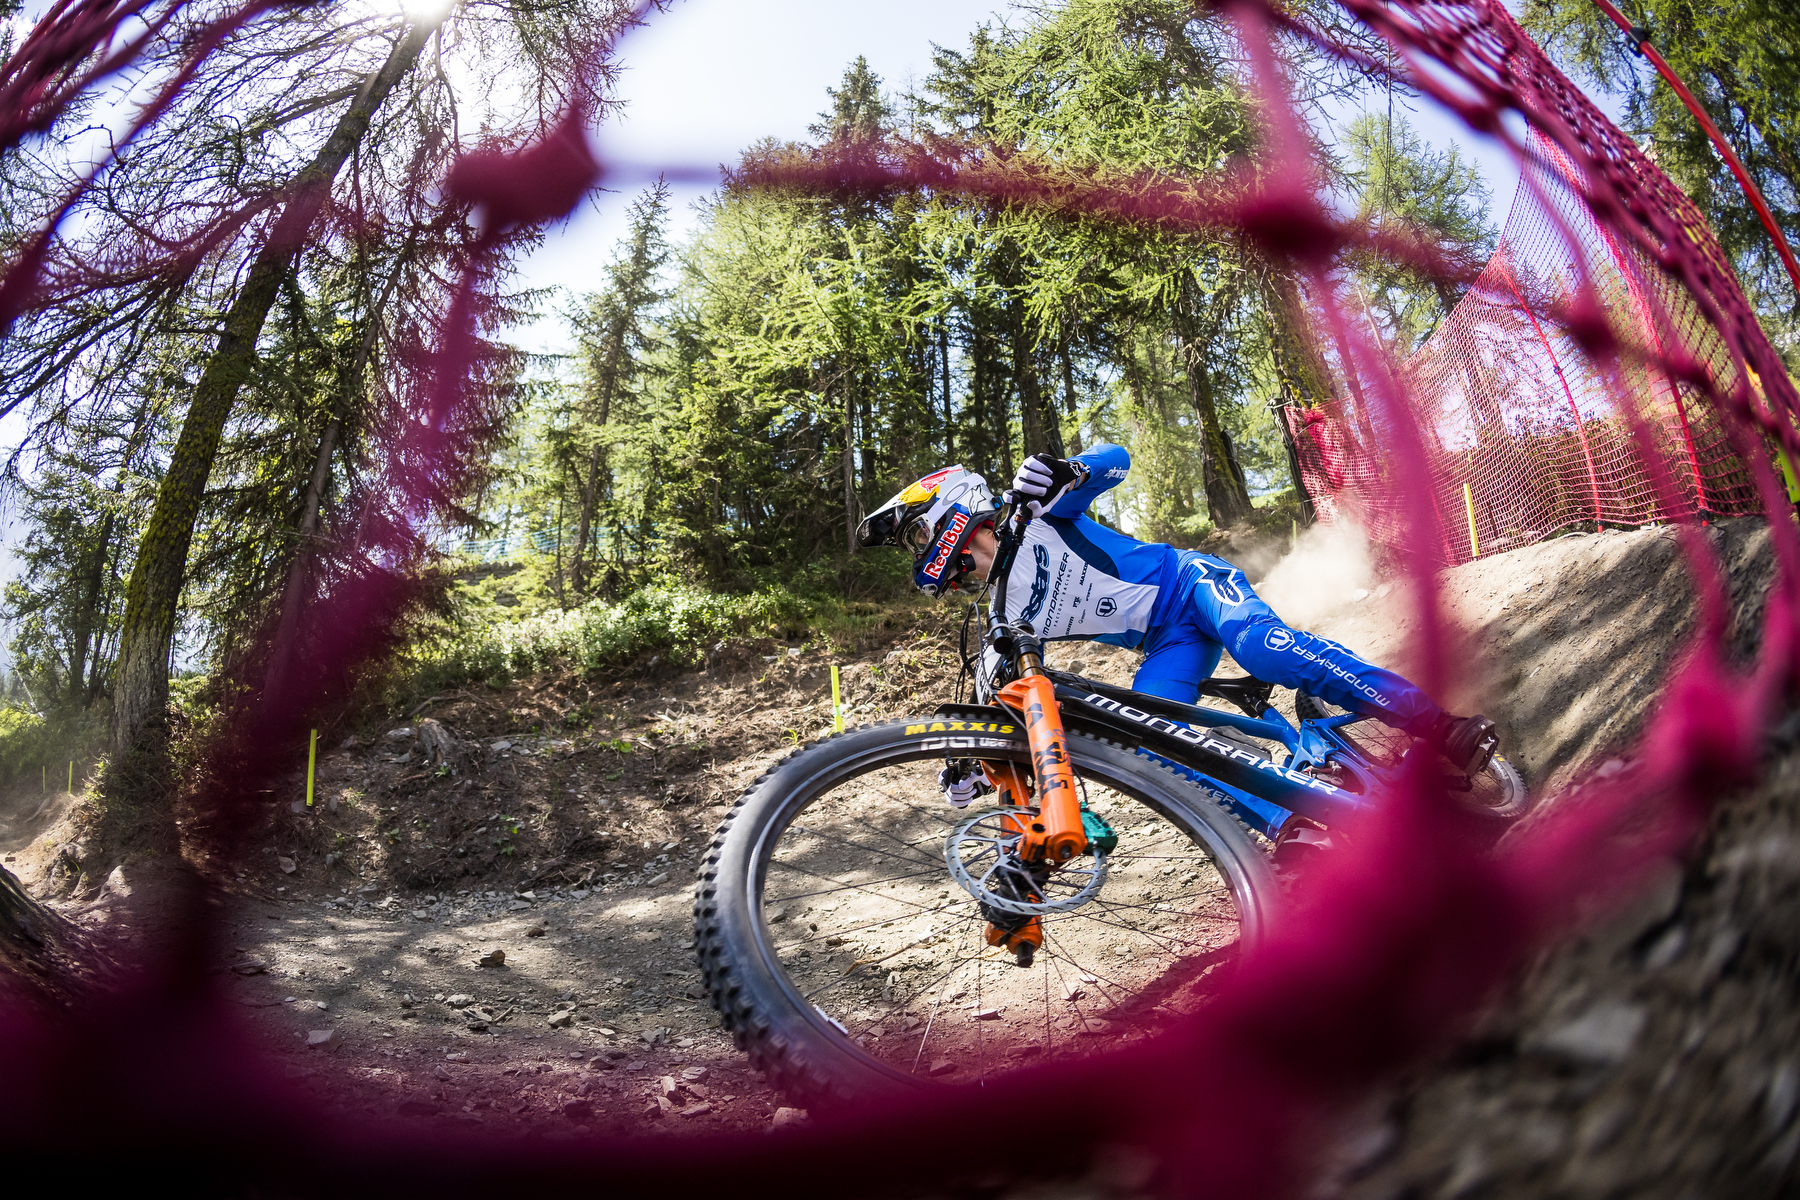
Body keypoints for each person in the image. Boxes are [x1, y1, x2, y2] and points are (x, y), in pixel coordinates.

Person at [855, 445, 1499, 787]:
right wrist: (968, 761)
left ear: (948, 511)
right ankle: (1289, 821)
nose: (919, 554)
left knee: (1261, 648)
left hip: (1193, 585)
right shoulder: (1001, 615)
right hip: (1166, 644)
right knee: (1156, 739)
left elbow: (1117, 460)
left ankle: (1441, 726)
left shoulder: (1035, 509)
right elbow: (1007, 705)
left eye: (917, 537)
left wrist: (1072, 469)